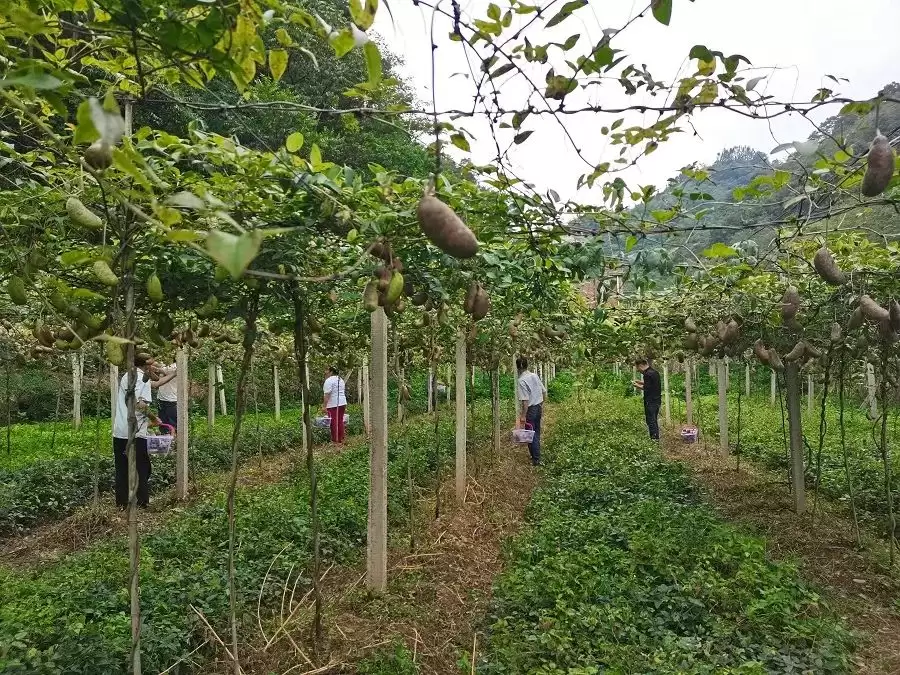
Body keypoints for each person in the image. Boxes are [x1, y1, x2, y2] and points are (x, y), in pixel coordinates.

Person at [113, 355, 175, 509]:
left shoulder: (128, 375)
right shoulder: (143, 380)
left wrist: (148, 422)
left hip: (120, 430)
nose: (156, 367)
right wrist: (154, 418)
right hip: (134, 432)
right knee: (143, 467)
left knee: (122, 467)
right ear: (147, 366)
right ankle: (141, 502)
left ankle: (122, 503)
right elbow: (139, 405)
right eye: (154, 364)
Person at [516, 357, 546, 466]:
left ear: (517, 367)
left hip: (530, 410)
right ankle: (536, 456)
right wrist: (541, 404)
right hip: (538, 407)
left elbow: (525, 401)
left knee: (530, 434)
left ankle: (536, 459)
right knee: (536, 432)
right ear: (527, 365)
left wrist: (523, 415)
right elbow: (544, 391)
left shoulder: (521, 381)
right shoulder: (534, 376)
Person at [633, 357, 661, 441]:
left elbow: (647, 388)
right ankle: (656, 437)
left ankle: (654, 439)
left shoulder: (647, 374)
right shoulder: (655, 372)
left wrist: (636, 385)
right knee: (654, 420)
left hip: (650, 401)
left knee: (651, 421)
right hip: (657, 400)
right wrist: (640, 382)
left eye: (638, 368)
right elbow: (652, 385)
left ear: (641, 365)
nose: (639, 371)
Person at [322, 366, 347, 444]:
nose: (325, 372)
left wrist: (324, 406)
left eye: (326, 370)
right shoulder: (340, 379)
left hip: (334, 404)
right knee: (339, 421)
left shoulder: (329, 380)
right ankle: (341, 439)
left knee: (333, 423)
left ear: (331, 371)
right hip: (342, 403)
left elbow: (327, 394)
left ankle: (336, 441)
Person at [155, 360, 177, 430]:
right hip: (161, 398)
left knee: (172, 423)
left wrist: (156, 367)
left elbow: (162, 370)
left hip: (171, 400)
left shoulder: (176, 367)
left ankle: (174, 438)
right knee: (163, 423)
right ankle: (164, 437)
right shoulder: (165, 366)